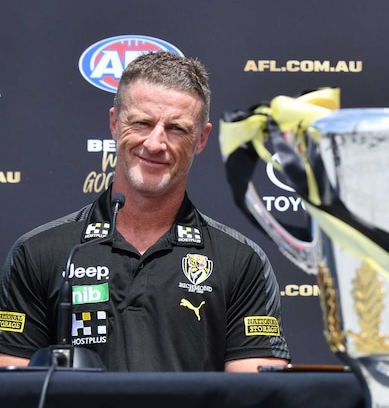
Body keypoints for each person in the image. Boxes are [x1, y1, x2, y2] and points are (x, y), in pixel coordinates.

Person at [0, 51, 291, 371]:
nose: (155, 144)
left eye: (177, 129)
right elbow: (16, 396)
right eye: (142, 123)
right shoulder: (42, 252)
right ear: (114, 123)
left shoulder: (240, 261)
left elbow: (255, 401)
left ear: (201, 139)